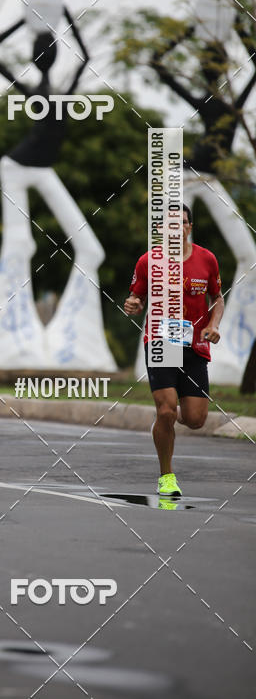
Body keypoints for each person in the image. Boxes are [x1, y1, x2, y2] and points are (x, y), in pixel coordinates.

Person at [124, 204, 224, 498]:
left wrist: (214, 324)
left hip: (194, 343)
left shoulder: (207, 260)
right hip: (160, 339)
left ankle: (168, 416)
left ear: (189, 226)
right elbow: (135, 297)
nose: (175, 228)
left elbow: (217, 298)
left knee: (195, 419)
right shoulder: (148, 261)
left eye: (180, 223)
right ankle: (167, 477)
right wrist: (133, 305)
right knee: (166, 410)